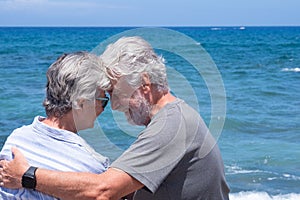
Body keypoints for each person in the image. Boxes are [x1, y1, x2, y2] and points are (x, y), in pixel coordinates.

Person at [0, 36, 230, 200]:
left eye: (116, 94)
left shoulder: (172, 125)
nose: (116, 106)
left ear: (144, 84)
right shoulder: (169, 120)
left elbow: (104, 190)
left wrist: (27, 175)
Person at [0, 51, 111, 199]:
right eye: (102, 101)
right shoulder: (91, 165)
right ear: (80, 102)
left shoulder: (16, 139)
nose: (103, 109)